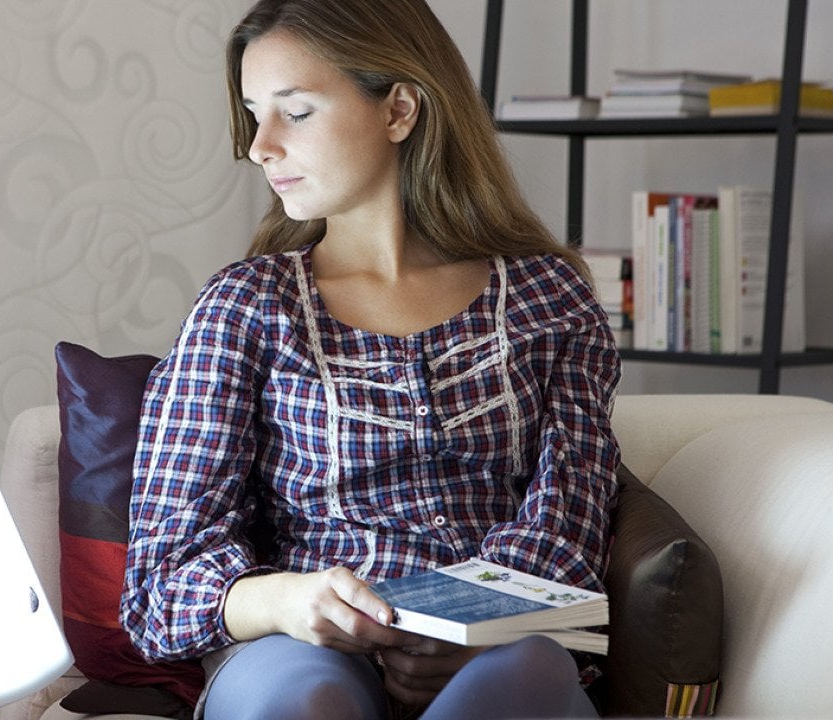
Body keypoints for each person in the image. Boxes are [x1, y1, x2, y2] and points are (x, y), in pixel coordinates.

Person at [120, 0, 621, 717]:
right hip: (301, 649)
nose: (260, 146)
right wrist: (290, 601)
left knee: (526, 672)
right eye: (254, 114)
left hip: (504, 647)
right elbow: (159, 587)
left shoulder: (549, 296)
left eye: (295, 112)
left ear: (399, 110)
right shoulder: (245, 306)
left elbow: (570, 521)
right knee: (304, 697)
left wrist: (474, 630)